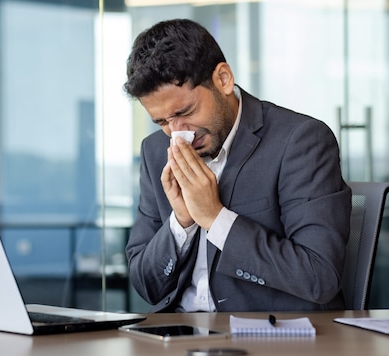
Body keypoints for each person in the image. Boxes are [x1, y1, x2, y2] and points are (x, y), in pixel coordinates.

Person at [123, 18, 352, 313]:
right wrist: (181, 223)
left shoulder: (299, 141)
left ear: (223, 79)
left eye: (185, 112)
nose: (180, 133)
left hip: (267, 336)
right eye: (162, 122)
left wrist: (215, 218)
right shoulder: (155, 152)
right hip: (177, 335)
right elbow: (146, 286)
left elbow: (319, 277)